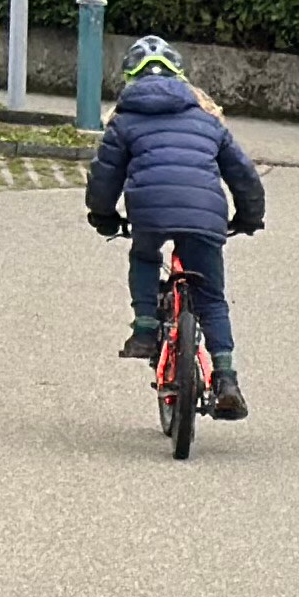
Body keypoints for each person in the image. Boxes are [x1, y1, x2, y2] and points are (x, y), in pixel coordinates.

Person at [86, 36, 262, 421]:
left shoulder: (124, 120)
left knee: (145, 255)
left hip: (148, 213)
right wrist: (249, 216)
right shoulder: (207, 120)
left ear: (129, 79)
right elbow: (243, 174)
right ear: (181, 78)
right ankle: (227, 378)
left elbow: (104, 177)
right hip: (205, 216)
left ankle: (146, 328)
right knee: (211, 297)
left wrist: (103, 215)